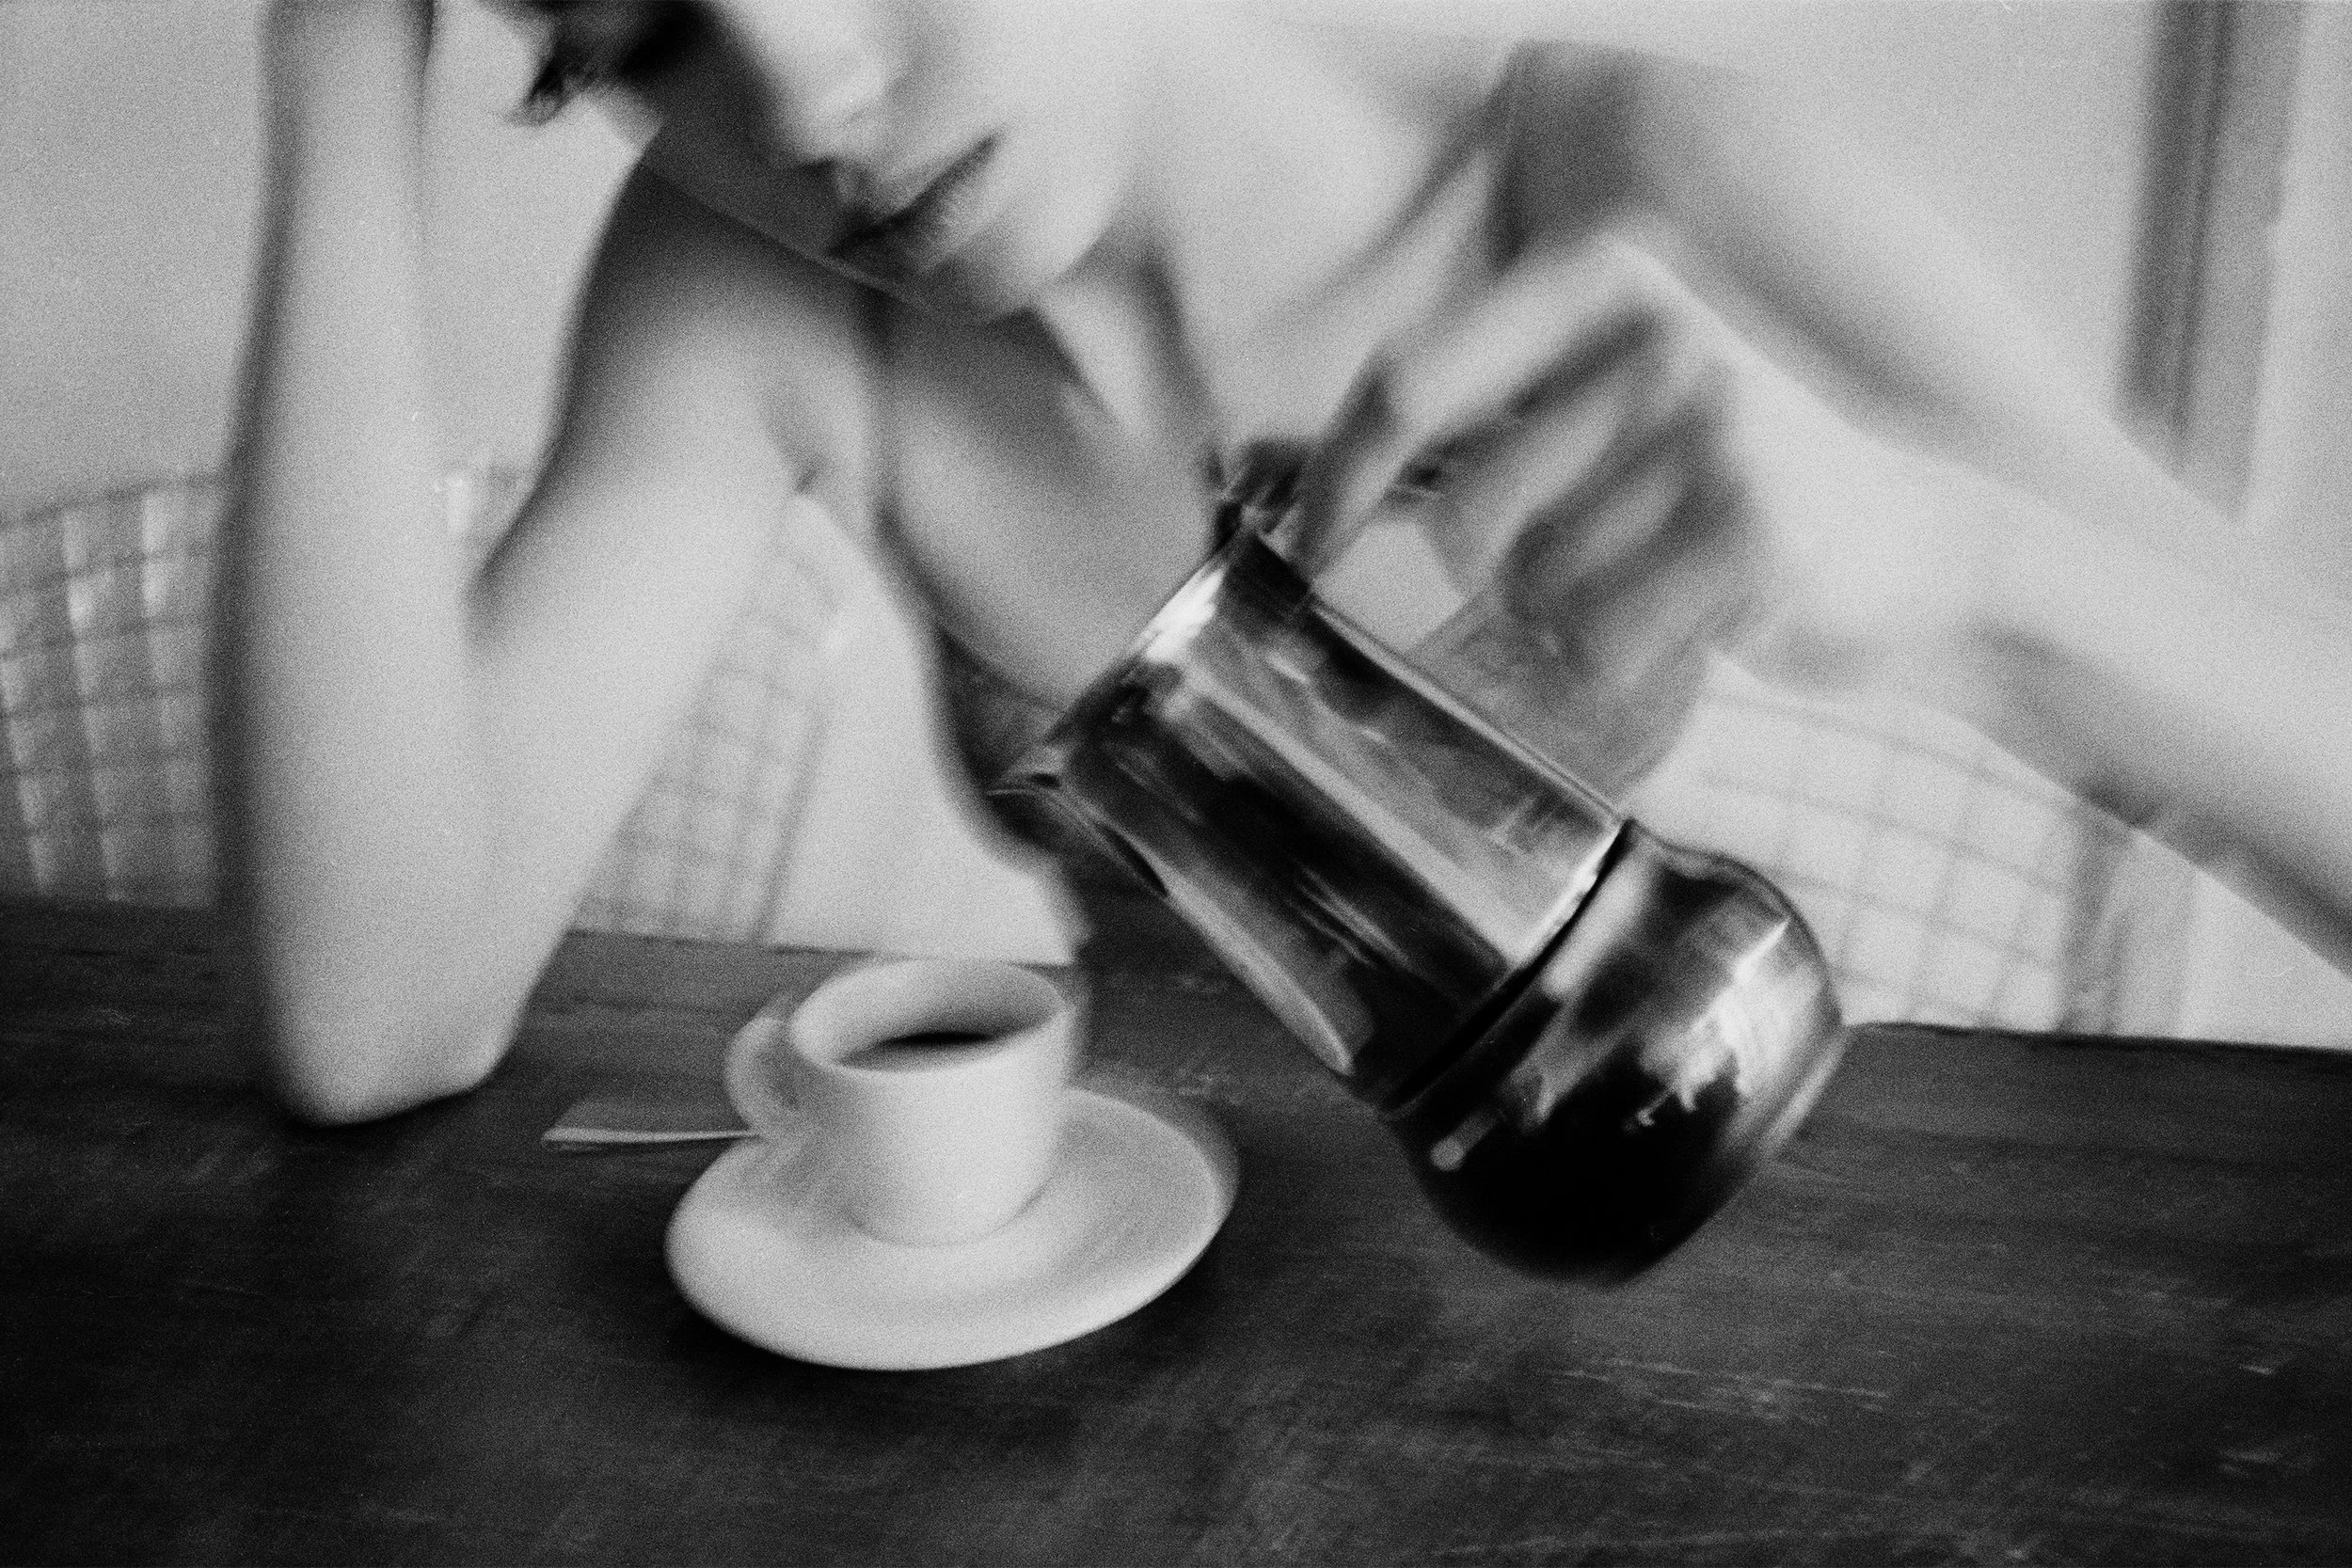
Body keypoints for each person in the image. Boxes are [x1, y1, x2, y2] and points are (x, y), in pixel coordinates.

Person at [226, 0, 2352, 1124]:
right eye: (627, 36)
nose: (810, 94)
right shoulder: (768, 297)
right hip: (1117, 1296)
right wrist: (334, 73)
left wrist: (1970, 562)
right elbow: (373, 1017)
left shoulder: (1637, 172)